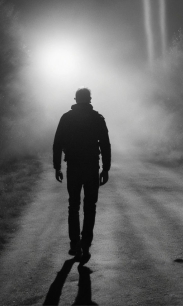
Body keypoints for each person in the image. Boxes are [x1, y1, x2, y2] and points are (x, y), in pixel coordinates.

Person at [53, 87, 111, 264]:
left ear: (76, 99)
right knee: (90, 207)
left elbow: (57, 144)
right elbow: (105, 145)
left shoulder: (66, 118)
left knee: (74, 205)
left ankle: (74, 244)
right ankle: (85, 244)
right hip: (92, 167)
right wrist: (105, 168)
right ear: (90, 99)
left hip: (74, 167)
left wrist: (57, 167)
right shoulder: (97, 118)